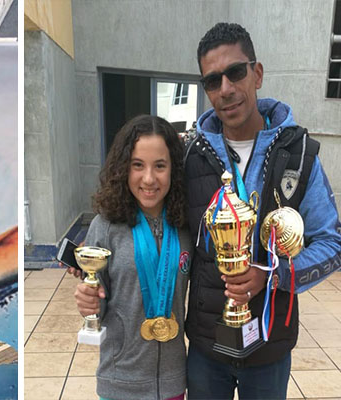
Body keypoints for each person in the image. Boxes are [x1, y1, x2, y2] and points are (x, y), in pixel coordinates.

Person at [184, 22, 341, 399]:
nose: (225, 89)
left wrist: (273, 275)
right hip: (207, 345)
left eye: (235, 72)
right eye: (212, 80)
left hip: (269, 345)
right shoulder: (190, 156)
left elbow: (332, 244)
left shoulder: (299, 155)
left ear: (257, 74)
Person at [74, 115, 191, 400]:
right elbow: (98, 302)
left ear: (173, 169)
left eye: (160, 166)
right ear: (123, 167)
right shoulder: (105, 226)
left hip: (173, 381)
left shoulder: (186, 225)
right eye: (137, 165)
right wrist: (89, 303)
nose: (149, 178)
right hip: (120, 381)